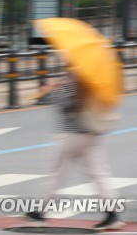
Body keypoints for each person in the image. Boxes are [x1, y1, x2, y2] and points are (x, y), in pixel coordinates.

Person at [25, 72, 125, 230]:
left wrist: (52, 89)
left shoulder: (75, 78)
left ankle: (39, 212)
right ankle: (112, 214)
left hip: (73, 133)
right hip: (92, 132)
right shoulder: (95, 79)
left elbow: (65, 104)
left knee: (56, 172)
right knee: (98, 173)